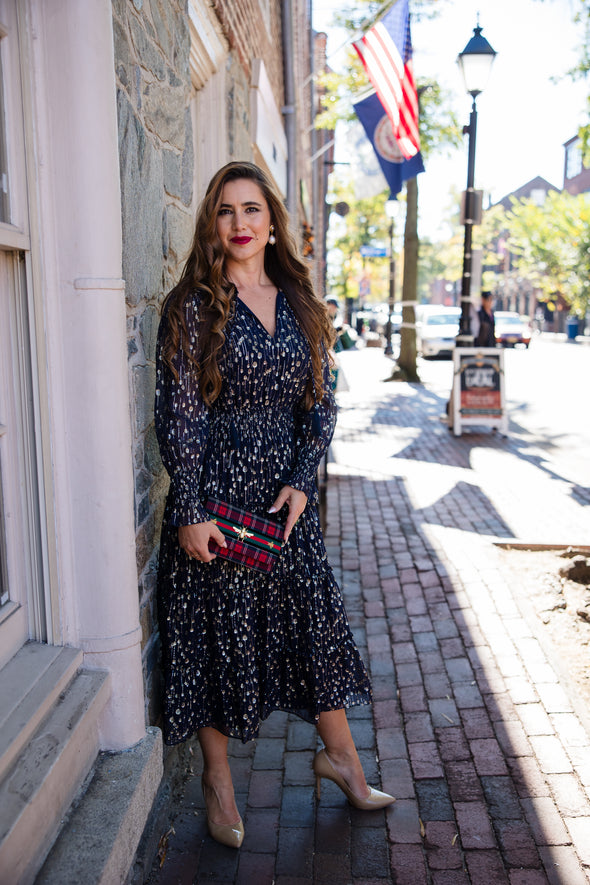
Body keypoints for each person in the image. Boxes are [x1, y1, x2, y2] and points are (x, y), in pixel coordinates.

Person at [154, 161, 394, 851]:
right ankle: (218, 782)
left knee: (313, 625)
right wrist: (192, 507)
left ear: (271, 220)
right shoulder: (193, 304)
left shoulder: (299, 299)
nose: (240, 224)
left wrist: (300, 476)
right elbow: (181, 415)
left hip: (286, 506)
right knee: (217, 637)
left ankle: (343, 759)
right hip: (220, 501)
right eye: (226, 211)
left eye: (252, 209)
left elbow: (322, 400)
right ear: (212, 221)